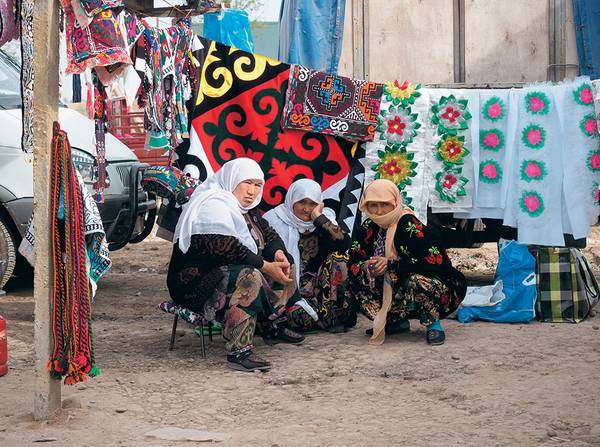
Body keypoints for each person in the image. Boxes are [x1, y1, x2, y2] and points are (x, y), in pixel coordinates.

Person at [167, 158, 304, 372]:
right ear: (232, 179)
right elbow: (224, 247)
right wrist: (265, 266)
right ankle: (239, 351)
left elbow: (269, 234)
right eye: (246, 182)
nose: (252, 191)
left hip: (224, 274)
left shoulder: (246, 210)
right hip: (197, 282)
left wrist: (278, 253)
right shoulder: (213, 204)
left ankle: (269, 324)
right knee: (251, 276)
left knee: (286, 262)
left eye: (257, 185)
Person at [346, 179, 466, 346]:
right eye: (373, 205)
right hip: (396, 286)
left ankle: (433, 324)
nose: (379, 211)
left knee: (419, 281)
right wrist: (368, 266)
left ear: (395, 202)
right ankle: (395, 322)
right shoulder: (368, 227)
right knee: (354, 281)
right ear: (366, 205)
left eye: (384, 204)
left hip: (435, 286)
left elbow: (434, 264)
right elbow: (353, 260)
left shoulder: (408, 224)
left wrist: (392, 264)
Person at [263, 179, 354, 332]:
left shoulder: (325, 221)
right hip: (286, 289)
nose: (306, 209)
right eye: (301, 202)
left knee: (339, 258)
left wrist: (319, 218)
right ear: (292, 201)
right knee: (299, 317)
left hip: (319, 290)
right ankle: (317, 319)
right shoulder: (274, 219)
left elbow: (344, 244)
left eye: (312, 204)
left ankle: (331, 316)